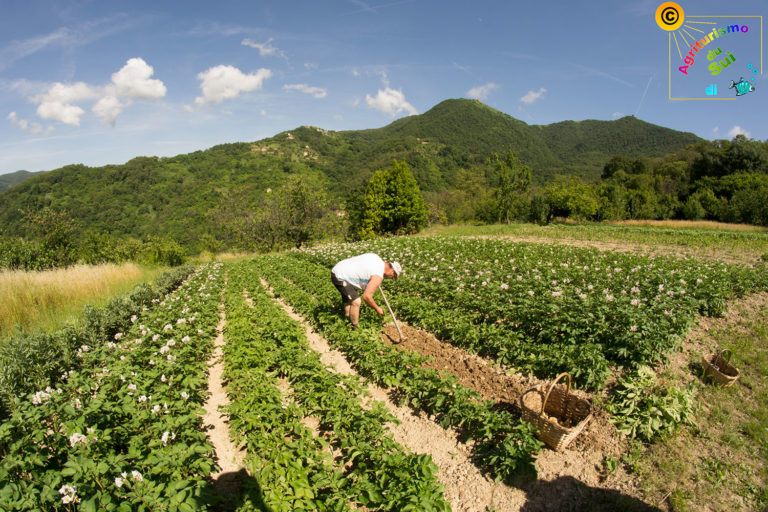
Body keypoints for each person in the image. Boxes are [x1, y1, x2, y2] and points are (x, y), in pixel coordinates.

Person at [330, 253, 402, 329]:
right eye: (393, 276)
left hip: (340, 268)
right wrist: (377, 308)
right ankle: (354, 329)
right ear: (392, 271)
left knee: (350, 297)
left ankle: (346, 319)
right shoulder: (378, 276)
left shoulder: (376, 258)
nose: (391, 278)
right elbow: (366, 297)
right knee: (356, 301)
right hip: (340, 275)